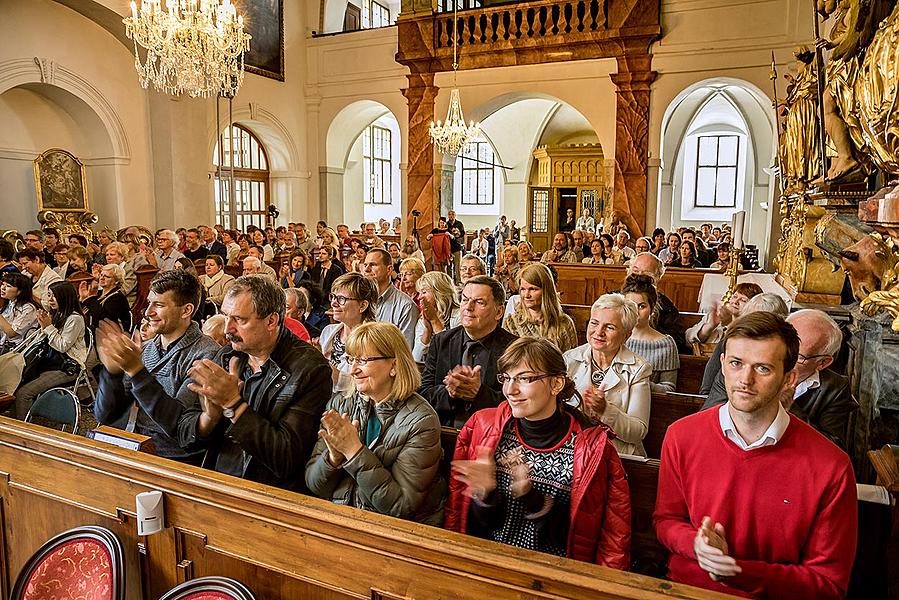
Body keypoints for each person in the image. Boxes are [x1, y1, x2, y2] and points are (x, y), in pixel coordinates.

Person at [653, 312, 857, 598]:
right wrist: (696, 544)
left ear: (789, 378)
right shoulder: (681, 435)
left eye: (762, 369)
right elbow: (666, 520)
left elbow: (828, 583)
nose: (745, 380)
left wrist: (737, 571)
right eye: (736, 363)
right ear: (722, 365)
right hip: (685, 590)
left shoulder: (831, 466)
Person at [446, 337, 630, 567]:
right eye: (507, 378)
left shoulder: (591, 447)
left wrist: (531, 498)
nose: (510, 390)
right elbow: (465, 523)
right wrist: (486, 494)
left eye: (524, 378)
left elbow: (605, 534)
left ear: (556, 384)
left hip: (555, 571)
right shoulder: (484, 427)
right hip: (489, 564)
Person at [182, 275, 332, 490]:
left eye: (239, 320)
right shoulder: (226, 357)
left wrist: (233, 405)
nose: (227, 330)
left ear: (271, 321)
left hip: (267, 495)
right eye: (225, 317)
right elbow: (184, 434)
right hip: (216, 482)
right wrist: (209, 418)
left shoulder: (309, 369)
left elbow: (286, 459)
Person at [306, 322, 445, 524]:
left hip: (393, 534)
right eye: (351, 359)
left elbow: (400, 506)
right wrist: (333, 459)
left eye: (363, 360)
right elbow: (313, 483)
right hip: (342, 521)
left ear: (394, 366)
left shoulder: (422, 421)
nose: (353, 370)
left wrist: (354, 452)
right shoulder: (341, 403)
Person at [93, 271, 220, 464]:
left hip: (173, 457)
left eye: (159, 305)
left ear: (186, 310)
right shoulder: (149, 348)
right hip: (137, 444)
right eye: (150, 303)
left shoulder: (207, 354)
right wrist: (113, 373)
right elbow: (106, 415)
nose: (147, 312)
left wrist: (137, 371)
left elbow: (177, 425)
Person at [419, 276, 517, 428]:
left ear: (499, 312)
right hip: (444, 433)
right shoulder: (441, 341)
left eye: (479, 302)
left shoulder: (513, 348)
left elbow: (517, 402)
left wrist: (478, 393)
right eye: (465, 300)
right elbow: (423, 394)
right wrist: (450, 393)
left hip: (491, 435)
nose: (468, 307)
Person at [563, 293, 652, 457]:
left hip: (617, 455)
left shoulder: (639, 369)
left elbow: (638, 432)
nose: (598, 332)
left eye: (609, 327)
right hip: (572, 450)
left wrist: (605, 410)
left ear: (627, 335)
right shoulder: (569, 359)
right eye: (594, 323)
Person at [13, 281, 87, 419]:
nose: (50, 300)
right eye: (49, 295)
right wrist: (43, 326)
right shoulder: (56, 314)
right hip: (47, 361)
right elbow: (42, 342)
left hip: (66, 365)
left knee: (23, 393)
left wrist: (48, 327)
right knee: (13, 383)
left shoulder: (75, 319)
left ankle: (23, 431)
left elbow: (63, 346)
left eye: (54, 296)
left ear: (65, 297)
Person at [319, 273, 380, 392]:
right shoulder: (328, 331)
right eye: (333, 297)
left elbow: (367, 386)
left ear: (362, 306)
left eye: (341, 299)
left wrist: (323, 365)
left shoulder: (373, 340)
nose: (333, 303)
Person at [621, 274, 679, 393]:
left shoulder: (665, 344)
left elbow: (669, 388)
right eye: (630, 306)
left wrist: (642, 383)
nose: (636, 312)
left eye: (641, 306)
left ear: (652, 309)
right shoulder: (616, 335)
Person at [503, 262, 577, 352]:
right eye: (523, 289)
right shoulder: (512, 322)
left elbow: (571, 361)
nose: (526, 295)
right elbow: (506, 361)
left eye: (532, 289)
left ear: (546, 290)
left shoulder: (564, 323)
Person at [626, 252, 687, 352]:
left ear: (657, 277)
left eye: (646, 274)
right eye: (635, 271)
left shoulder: (665, 307)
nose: (639, 277)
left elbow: (677, 341)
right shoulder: (612, 298)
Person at [363, 249, 418, 349]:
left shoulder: (405, 306)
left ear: (389, 270)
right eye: (365, 265)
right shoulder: (360, 301)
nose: (366, 270)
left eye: (373, 265)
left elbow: (405, 350)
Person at [685, 282, 763, 346]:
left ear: (753, 305)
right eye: (735, 297)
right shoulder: (716, 315)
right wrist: (710, 327)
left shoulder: (753, 328)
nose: (735, 302)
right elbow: (688, 339)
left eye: (743, 300)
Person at [412, 271, 461, 362]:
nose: (419, 297)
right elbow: (416, 358)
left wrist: (435, 322)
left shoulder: (459, 316)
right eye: (419, 293)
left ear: (439, 292)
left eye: (424, 292)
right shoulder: (424, 318)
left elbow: (452, 355)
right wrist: (427, 331)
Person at [79, 263, 132, 334]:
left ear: (116, 281)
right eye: (101, 275)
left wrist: (90, 297)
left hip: (111, 338)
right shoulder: (98, 294)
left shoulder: (118, 298)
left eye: (107, 276)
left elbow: (102, 318)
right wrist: (82, 298)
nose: (102, 278)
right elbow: (83, 311)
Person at [0, 272, 39, 353]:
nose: (2, 288)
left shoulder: (28, 308)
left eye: (8, 286)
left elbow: (12, 333)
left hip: (16, 350)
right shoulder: (10, 302)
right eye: (3, 284)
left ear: (20, 291)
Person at [445, 210, 466, 285]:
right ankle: (450, 282)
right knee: (449, 266)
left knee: (457, 266)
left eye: (452, 214)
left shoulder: (459, 224)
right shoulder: (446, 224)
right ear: (448, 215)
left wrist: (458, 233)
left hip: (457, 246)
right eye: (449, 214)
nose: (451, 216)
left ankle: (458, 281)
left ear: (455, 215)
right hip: (448, 247)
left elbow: (463, 233)